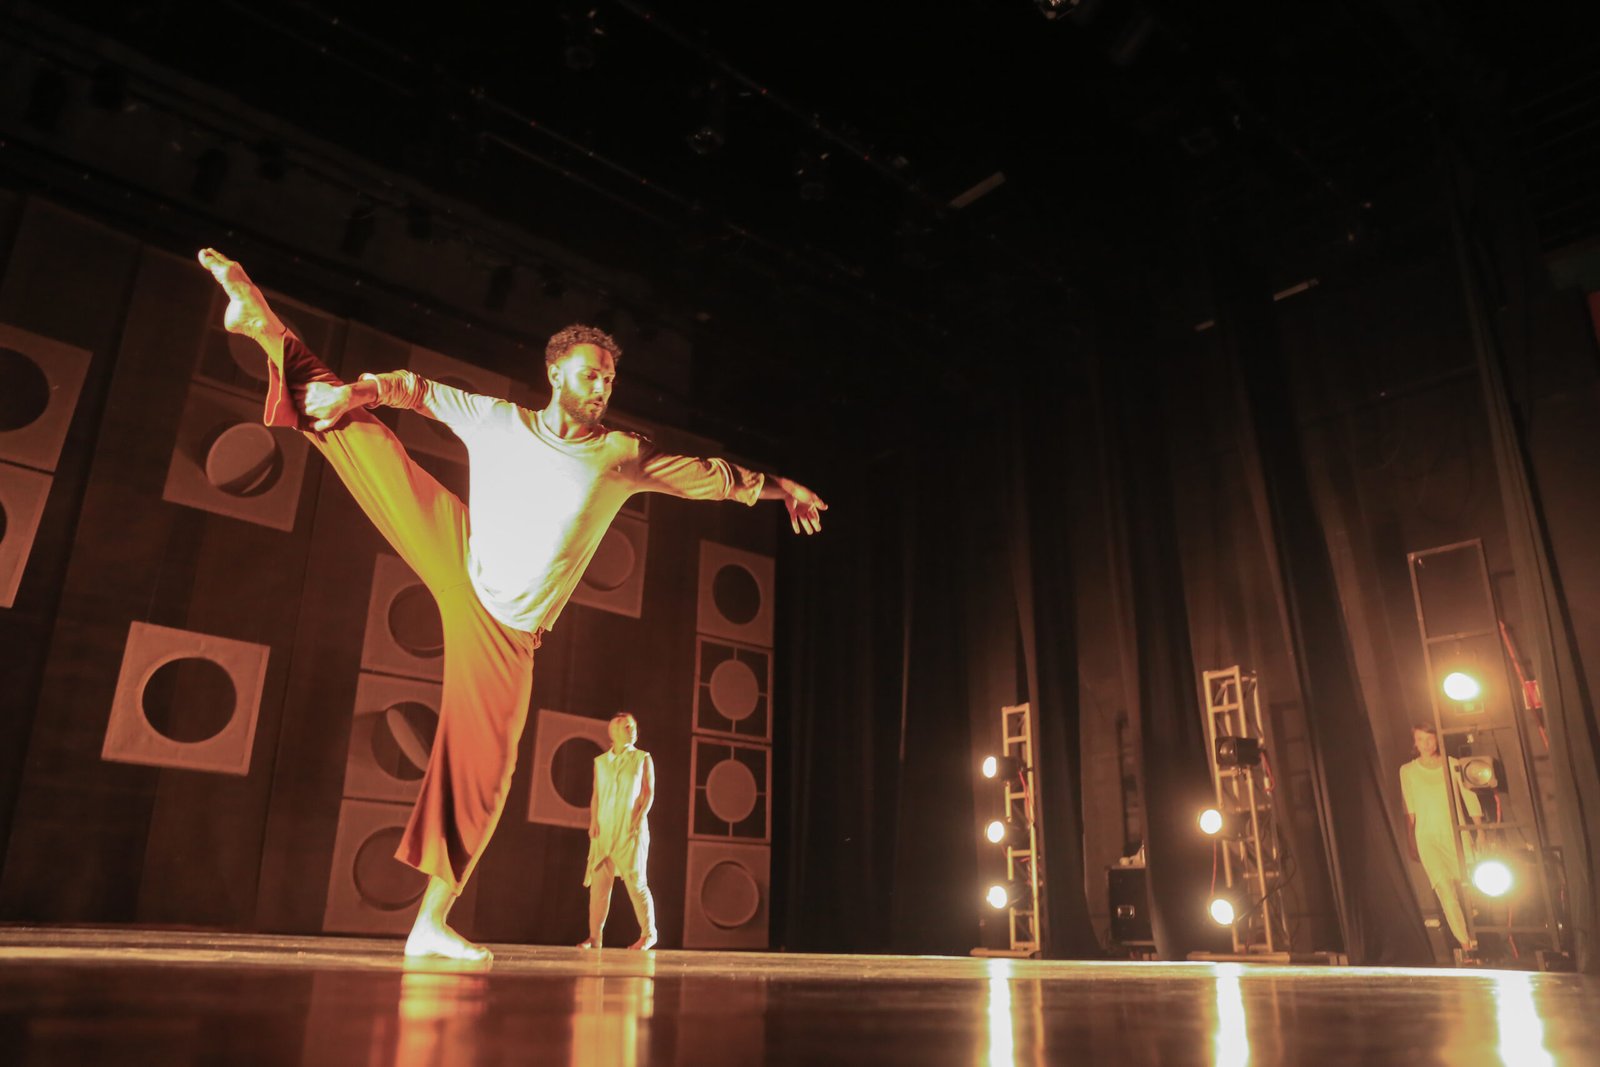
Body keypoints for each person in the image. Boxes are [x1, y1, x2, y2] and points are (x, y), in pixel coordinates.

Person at [197, 249, 827, 962]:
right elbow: (412, 388)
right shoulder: (497, 419)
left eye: (609, 377)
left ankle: (428, 923)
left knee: (486, 768)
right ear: (555, 372)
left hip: (507, 630)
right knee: (363, 436)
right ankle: (265, 326)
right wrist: (355, 393)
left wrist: (782, 488)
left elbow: (706, 475)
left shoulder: (620, 454)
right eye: (590, 373)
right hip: (458, 552)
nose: (601, 386)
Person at [1400, 723, 1485, 952]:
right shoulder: (1407, 771)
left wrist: (1480, 831)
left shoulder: (1452, 764)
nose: (1426, 744)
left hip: (1455, 832)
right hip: (1427, 837)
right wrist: (1411, 840)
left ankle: (1480, 932)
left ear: (1437, 739)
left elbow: (1469, 797)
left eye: (1429, 738)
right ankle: (1466, 946)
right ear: (1415, 743)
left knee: (1471, 885)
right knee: (1445, 890)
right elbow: (1409, 809)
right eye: (1420, 739)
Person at [578, 712, 656, 950]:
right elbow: (596, 794)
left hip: (629, 829)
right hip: (604, 829)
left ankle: (649, 933)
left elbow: (648, 792)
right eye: (626, 727)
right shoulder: (601, 762)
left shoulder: (642, 758)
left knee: (635, 881)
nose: (632, 730)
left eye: (633, 726)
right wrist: (593, 821)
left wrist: (639, 818)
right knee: (600, 885)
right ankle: (595, 937)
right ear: (613, 732)